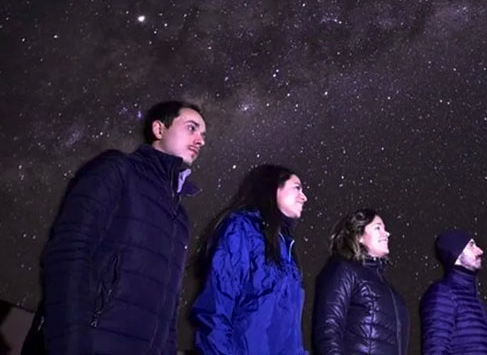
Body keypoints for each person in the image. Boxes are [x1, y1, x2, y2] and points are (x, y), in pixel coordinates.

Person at [29, 100, 207, 354]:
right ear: (159, 129)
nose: (200, 140)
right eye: (192, 128)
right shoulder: (117, 170)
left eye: (203, 134)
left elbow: (170, 304)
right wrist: (70, 343)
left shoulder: (180, 218)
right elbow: (67, 253)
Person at [192, 164, 308, 354]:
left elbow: (289, 332)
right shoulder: (241, 229)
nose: (304, 197)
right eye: (297, 188)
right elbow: (216, 307)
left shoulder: (286, 249)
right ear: (273, 188)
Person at [312, 208, 409, 355]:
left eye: (385, 229)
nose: (387, 234)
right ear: (359, 236)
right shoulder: (343, 269)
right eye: (378, 227)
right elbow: (328, 329)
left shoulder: (388, 289)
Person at [420, 229, 487, 355]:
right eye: (471, 245)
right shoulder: (443, 293)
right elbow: (435, 349)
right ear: (456, 254)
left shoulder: (476, 301)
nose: (480, 251)